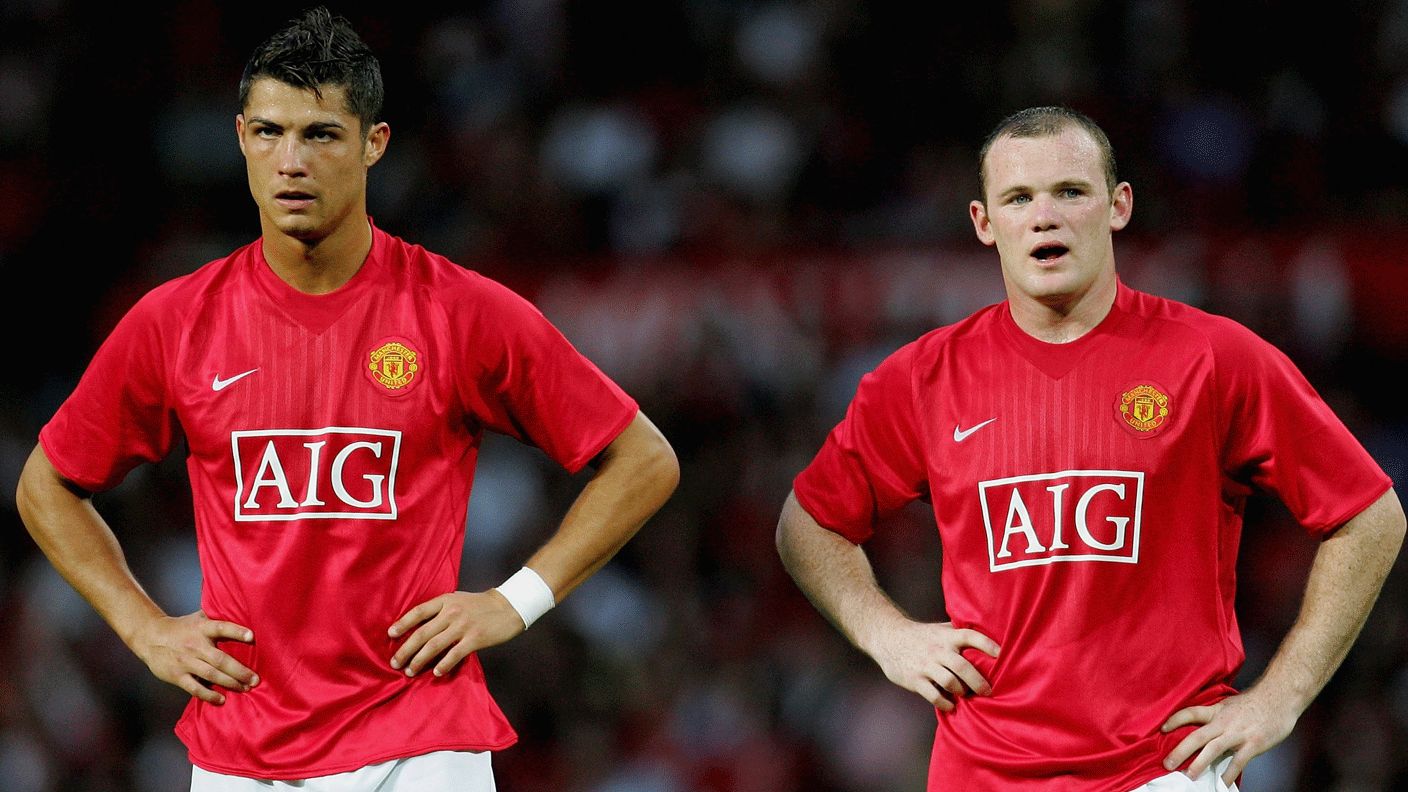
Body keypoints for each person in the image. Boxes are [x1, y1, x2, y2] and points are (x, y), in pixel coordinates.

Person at [15, 7, 678, 791]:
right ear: (240, 139)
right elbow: (46, 485)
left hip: (421, 742)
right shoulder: (176, 321)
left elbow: (643, 459)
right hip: (240, 752)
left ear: (374, 143)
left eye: (321, 134)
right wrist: (143, 628)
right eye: (269, 132)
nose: (290, 160)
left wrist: (515, 601)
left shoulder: (457, 312)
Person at [775, 106, 1404, 791]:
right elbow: (809, 524)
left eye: (1070, 192)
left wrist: (1282, 696)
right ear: (984, 223)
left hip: (1164, 771)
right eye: (1019, 198)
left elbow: (1369, 515)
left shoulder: (1214, 359)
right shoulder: (922, 379)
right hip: (981, 774)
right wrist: (885, 635)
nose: (1044, 217)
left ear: (1119, 205)